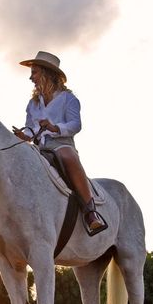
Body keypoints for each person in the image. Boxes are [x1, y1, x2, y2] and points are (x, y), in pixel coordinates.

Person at [12, 51, 107, 236]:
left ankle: (91, 212)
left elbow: (75, 125)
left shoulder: (68, 99)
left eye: (35, 72)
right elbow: (31, 128)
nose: (31, 78)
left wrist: (55, 128)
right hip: (39, 147)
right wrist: (23, 135)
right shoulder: (33, 103)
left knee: (67, 156)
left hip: (61, 144)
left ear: (47, 73)